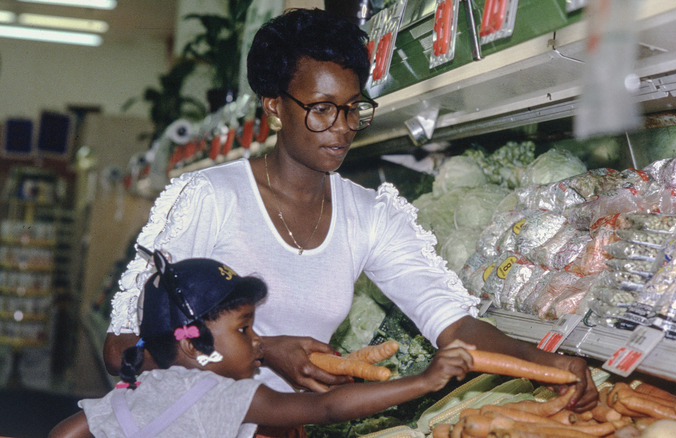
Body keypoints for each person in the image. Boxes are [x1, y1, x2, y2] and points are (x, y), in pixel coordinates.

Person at [103, 7, 597, 414]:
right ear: (274, 107)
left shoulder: (370, 215)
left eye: (353, 108)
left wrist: (550, 362)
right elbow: (122, 348)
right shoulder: (209, 198)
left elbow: (453, 323)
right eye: (321, 108)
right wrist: (265, 349)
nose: (341, 127)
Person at [52, 251, 474, 438]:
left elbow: (66, 431)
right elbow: (325, 409)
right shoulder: (221, 395)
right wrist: (424, 381)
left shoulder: (139, 389)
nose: (259, 342)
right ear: (195, 346)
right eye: (244, 330)